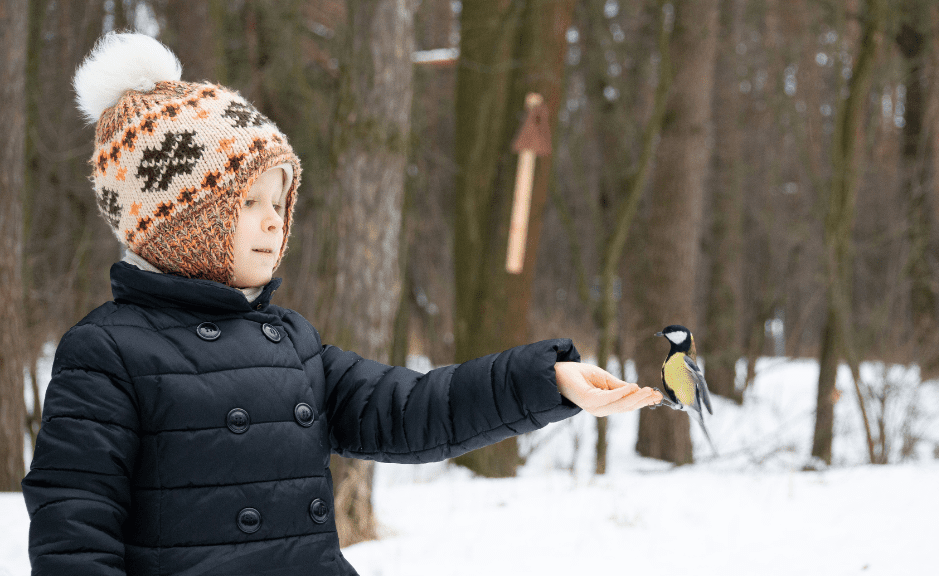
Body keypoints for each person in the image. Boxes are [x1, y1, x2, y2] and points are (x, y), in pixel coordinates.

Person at [21, 32, 663, 576]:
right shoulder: (107, 352)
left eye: (279, 201)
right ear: (180, 216)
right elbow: (73, 527)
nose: (274, 223)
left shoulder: (292, 342)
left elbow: (412, 409)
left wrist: (546, 380)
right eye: (247, 203)